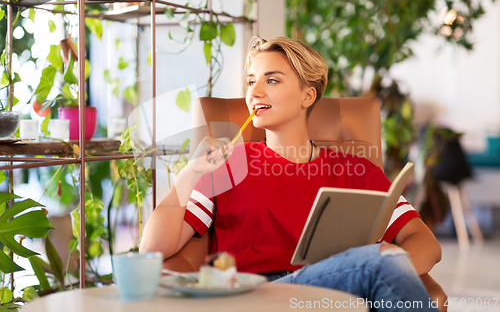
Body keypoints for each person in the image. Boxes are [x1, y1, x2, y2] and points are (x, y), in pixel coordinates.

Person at [140, 36, 444, 311]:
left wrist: (390, 266)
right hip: (257, 297)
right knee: (379, 260)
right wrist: (189, 174)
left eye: (271, 81)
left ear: (307, 96)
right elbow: (151, 250)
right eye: (250, 82)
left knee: (383, 260)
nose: (255, 91)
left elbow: (426, 244)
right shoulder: (228, 164)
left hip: (338, 293)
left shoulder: (357, 170)